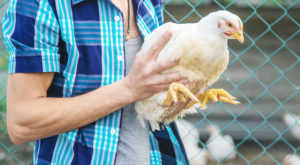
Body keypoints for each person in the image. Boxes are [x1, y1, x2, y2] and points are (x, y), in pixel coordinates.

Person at [3, 0, 189, 164]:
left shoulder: (149, 2)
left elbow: (148, 97)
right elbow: (22, 122)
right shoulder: (41, 3)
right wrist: (129, 89)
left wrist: (171, 98)